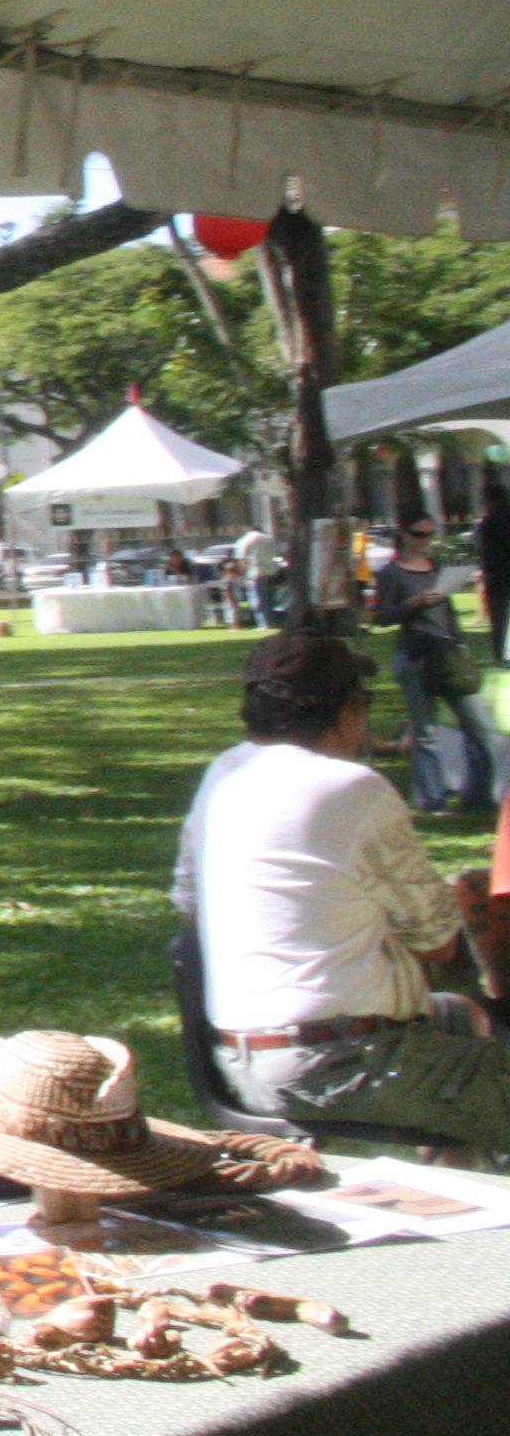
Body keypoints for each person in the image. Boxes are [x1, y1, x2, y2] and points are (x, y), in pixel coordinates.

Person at [175, 629, 510, 1155]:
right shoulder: (353, 789)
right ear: (346, 712)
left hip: (236, 1062)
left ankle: (450, 1183)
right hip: (345, 1063)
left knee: (464, 1018)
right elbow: (438, 943)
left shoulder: (224, 774)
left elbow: (191, 915)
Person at [371, 515, 498, 815]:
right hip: (416, 658)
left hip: (449, 654)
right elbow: (382, 616)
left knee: (480, 728)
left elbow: (447, 614)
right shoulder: (391, 573)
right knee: (425, 733)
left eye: (430, 534)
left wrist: (458, 642)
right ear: (404, 535)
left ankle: (478, 797)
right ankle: (432, 800)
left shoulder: (437, 567)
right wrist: (413, 604)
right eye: (419, 534)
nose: (425, 540)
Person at [479, 478, 510, 669]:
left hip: (499, 578)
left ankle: (503, 656)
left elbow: (489, 553)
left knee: (500, 619)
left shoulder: (490, 521)